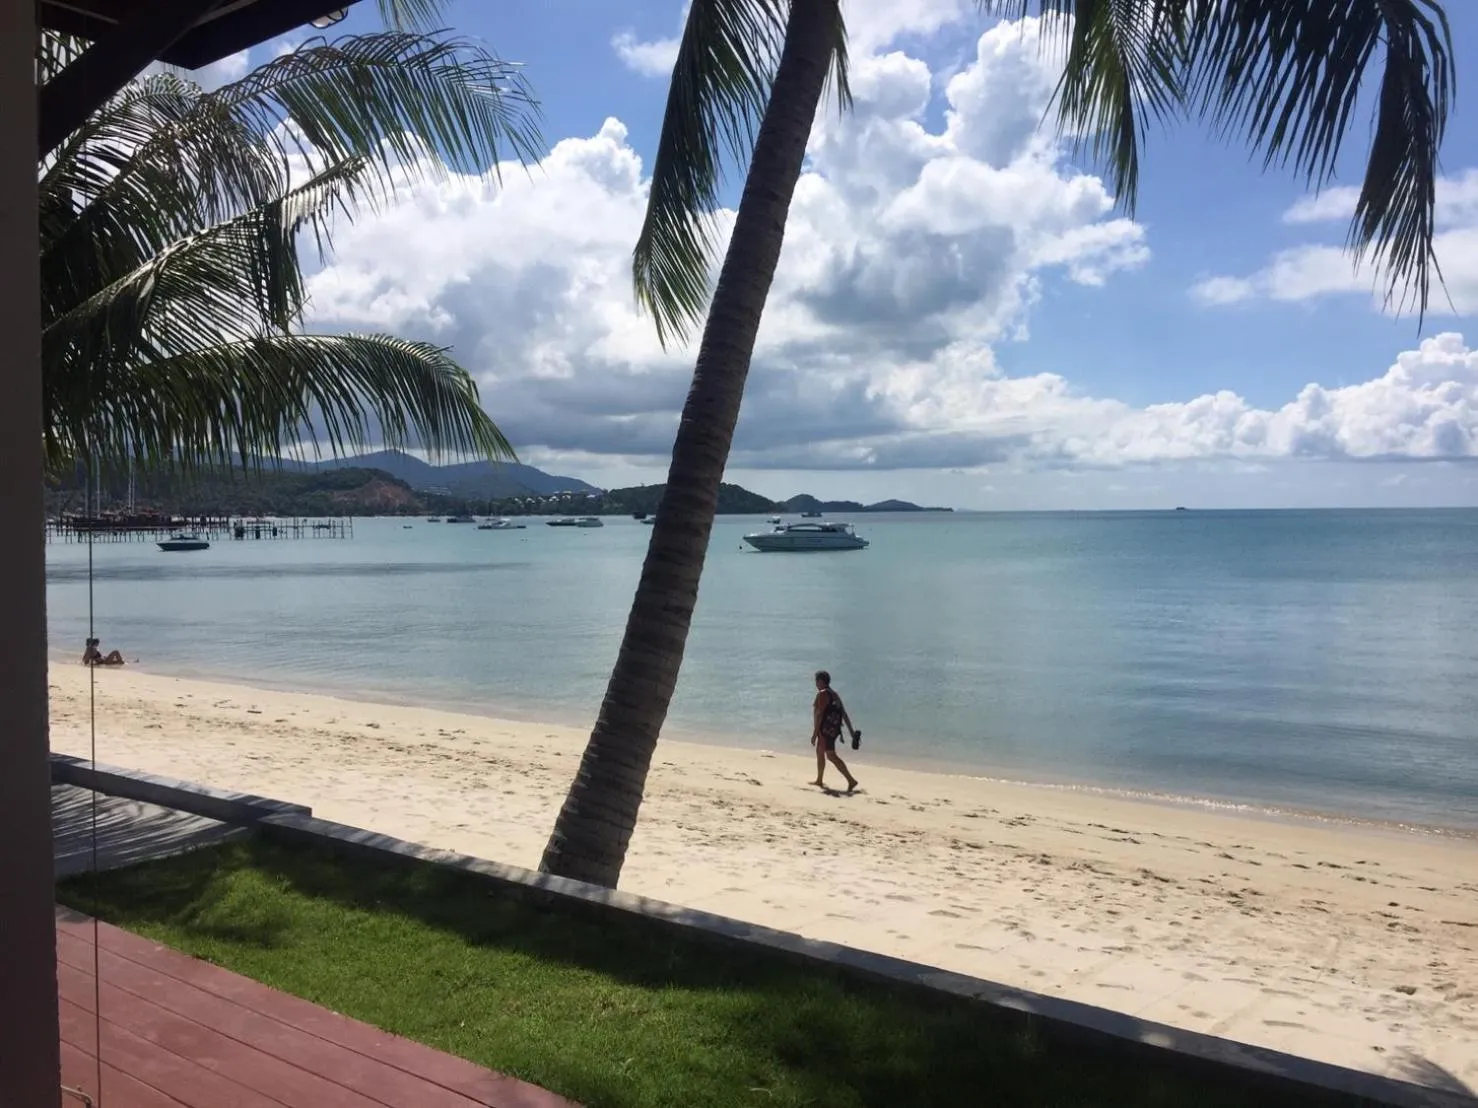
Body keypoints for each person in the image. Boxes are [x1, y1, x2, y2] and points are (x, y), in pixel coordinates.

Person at [811, 669, 858, 792]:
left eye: (816, 681)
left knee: (831, 756)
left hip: (824, 730)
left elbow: (819, 715)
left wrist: (815, 734)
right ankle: (819, 780)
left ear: (820, 681)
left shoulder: (822, 694)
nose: (816, 684)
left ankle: (851, 780)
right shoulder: (834, 694)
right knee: (820, 752)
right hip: (833, 730)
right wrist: (851, 732)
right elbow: (844, 714)